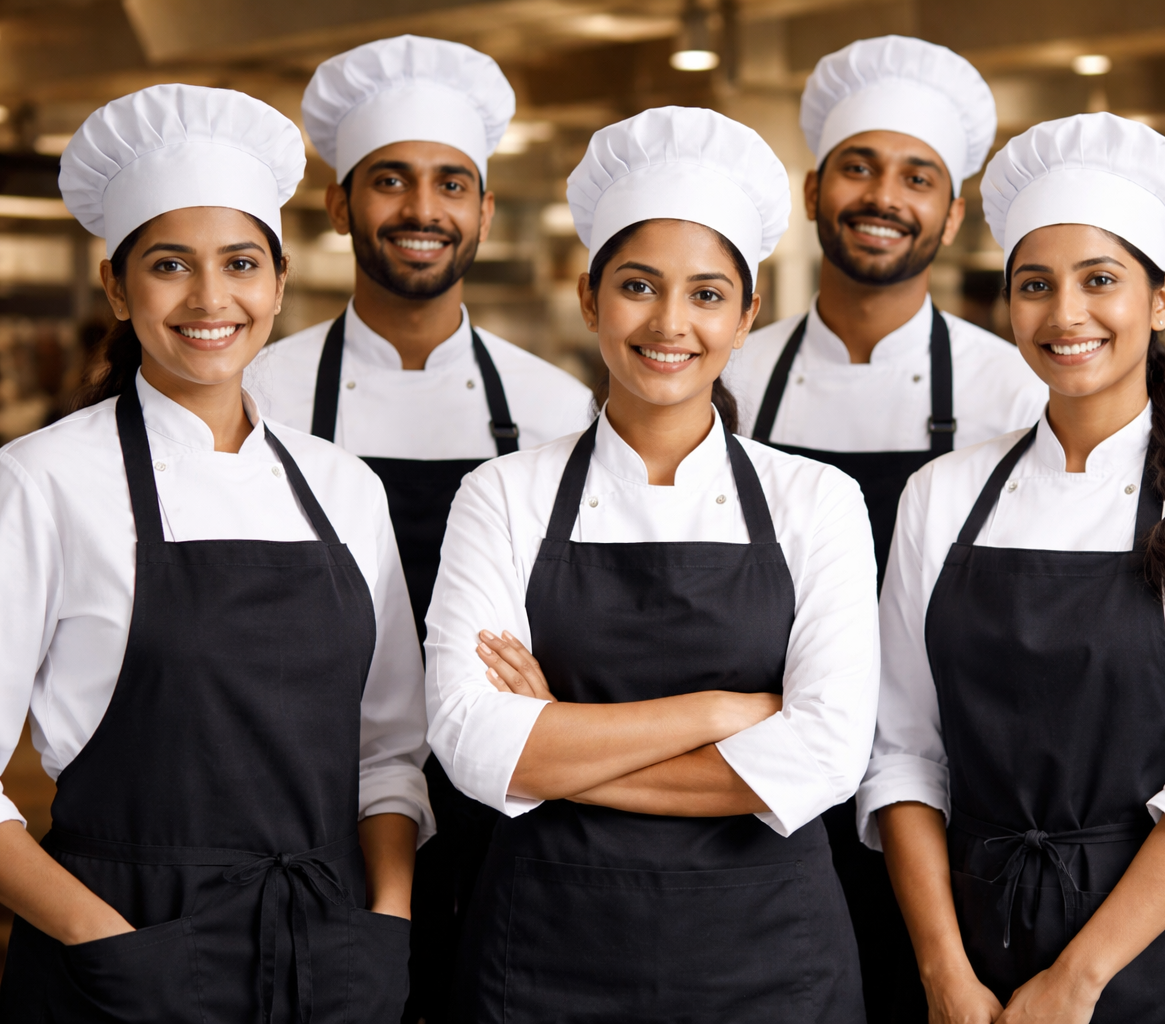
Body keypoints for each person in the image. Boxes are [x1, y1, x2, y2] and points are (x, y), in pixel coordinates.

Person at [425, 105, 876, 1023]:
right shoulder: (501, 494)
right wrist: (718, 714)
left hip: (768, 963)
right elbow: (472, 747)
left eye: (708, 293)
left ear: (747, 316)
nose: (670, 322)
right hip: (544, 953)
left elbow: (827, 756)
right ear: (590, 299)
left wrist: (556, 740)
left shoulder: (816, 501)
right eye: (638, 286)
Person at [862, 112, 1165, 1023]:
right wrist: (944, 971)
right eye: (1035, 285)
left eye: (1099, 280)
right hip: (975, 957)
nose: (1064, 315)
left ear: (1163, 298)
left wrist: (1075, 982)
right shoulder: (940, 495)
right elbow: (903, 752)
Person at [0, 84, 430, 1024]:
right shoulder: (41, 481)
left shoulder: (345, 487)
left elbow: (390, 751)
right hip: (123, 957)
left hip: (329, 956)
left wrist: (385, 924)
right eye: (169, 265)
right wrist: (104, 942)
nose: (210, 298)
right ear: (116, 286)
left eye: (241, 263)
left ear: (278, 283)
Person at [245, 36, 591, 1020]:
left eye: (451, 184)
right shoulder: (258, 395)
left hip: (507, 801)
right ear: (338, 206)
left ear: (483, 209)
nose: (422, 210)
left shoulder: (556, 407)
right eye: (390, 181)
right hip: (302, 790)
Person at [724, 37, 1047, 1019]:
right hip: (751, 799)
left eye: (918, 176)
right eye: (859, 167)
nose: (883, 196)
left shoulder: (1019, 390)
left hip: (955, 803)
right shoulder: (727, 378)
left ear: (952, 211)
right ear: (816, 185)